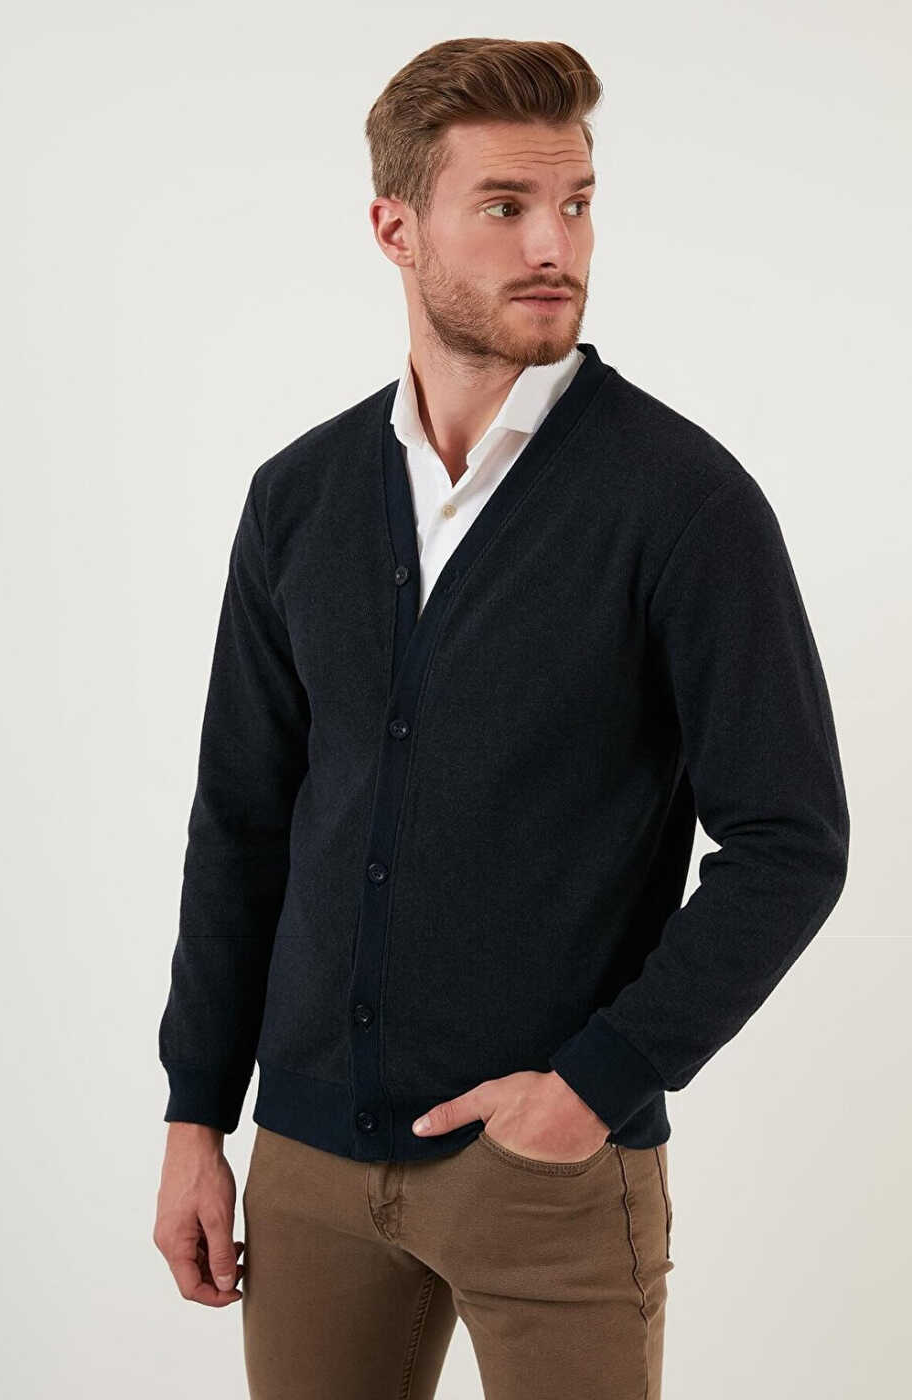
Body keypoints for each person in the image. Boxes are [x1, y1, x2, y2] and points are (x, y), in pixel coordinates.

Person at [153, 36, 850, 1400]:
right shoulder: (298, 498)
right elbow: (242, 822)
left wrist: (593, 1085)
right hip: (304, 1167)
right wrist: (196, 1115)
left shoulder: (682, 503)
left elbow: (791, 842)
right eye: (506, 206)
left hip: (548, 1175)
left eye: (576, 203)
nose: (554, 245)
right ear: (395, 228)